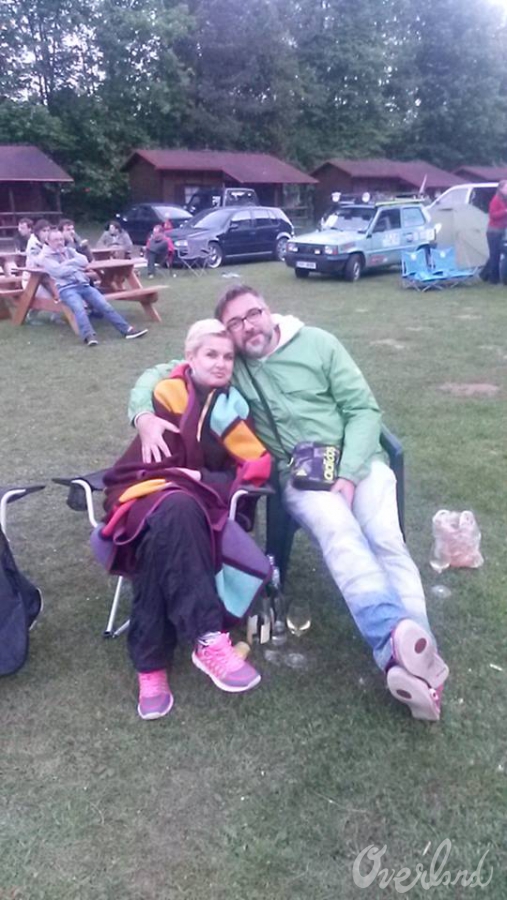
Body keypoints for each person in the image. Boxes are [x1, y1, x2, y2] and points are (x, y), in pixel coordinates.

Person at [128, 285, 450, 723]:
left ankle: (416, 658)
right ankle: (396, 644)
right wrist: (143, 416)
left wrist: (349, 474)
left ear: (269, 311)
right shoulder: (233, 363)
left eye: (253, 314)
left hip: (361, 463)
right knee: (341, 534)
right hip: (302, 475)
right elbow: (161, 372)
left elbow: (363, 410)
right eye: (235, 323)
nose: (247, 327)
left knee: (388, 543)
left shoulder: (318, 343)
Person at [95, 319, 272, 720]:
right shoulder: (165, 395)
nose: (221, 363)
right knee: (175, 507)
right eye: (211, 354)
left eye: (228, 356)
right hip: (143, 492)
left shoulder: (235, 410)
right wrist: (178, 476)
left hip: (198, 503)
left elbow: (250, 470)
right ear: (190, 357)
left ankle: (151, 665)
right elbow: (146, 464)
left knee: (168, 531)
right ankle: (208, 638)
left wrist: (200, 478)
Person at [39, 228, 148, 346]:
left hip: (83, 284)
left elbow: (84, 261)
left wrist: (67, 264)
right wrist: (75, 267)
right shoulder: (45, 257)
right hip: (66, 288)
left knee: (105, 305)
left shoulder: (69, 250)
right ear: (48, 241)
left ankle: (127, 330)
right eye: (55, 240)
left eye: (61, 239)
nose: (60, 242)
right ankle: (89, 336)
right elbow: (58, 271)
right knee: (80, 309)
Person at [485, 181, 507, 284]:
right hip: (493, 232)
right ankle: (494, 279)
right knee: (495, 255)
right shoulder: (496, 200)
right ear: (501, 189)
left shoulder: (504, 200)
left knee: (496, 254)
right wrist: (505, 211)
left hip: (501, 231)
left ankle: (484, 275)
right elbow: (492, 215)